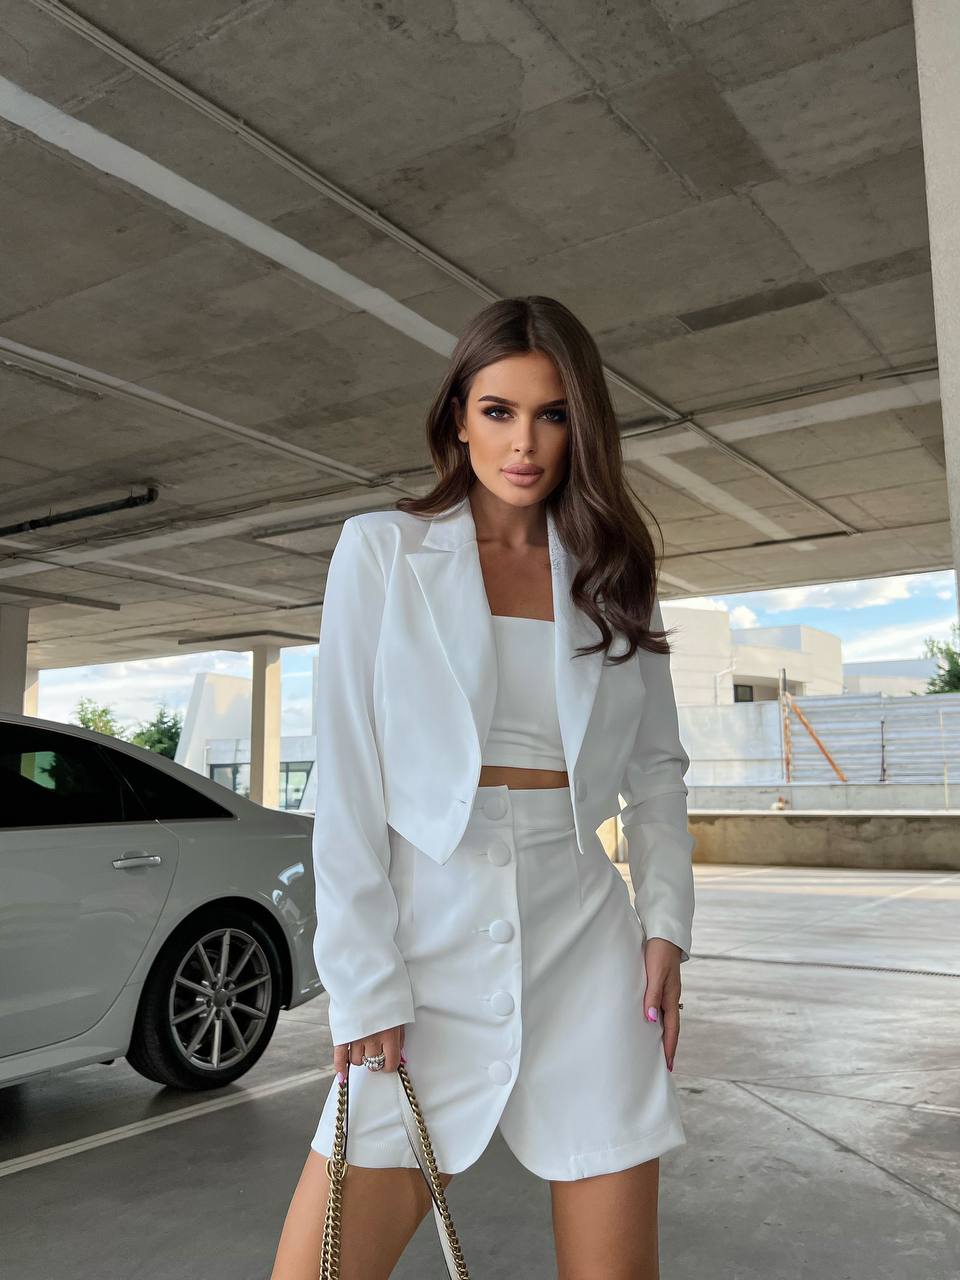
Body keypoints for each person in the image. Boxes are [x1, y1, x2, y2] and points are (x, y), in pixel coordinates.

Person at [271, 295, 695, 1279]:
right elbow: (347, 776)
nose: (524, 441)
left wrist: (665, 924)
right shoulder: (381, 550)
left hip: (584, 942)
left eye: (553, 414)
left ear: (581, 424)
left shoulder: (615, 572)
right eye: (499, 410)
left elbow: (655, 767)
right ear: (459, 414)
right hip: (419, 944)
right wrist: (362, 977)